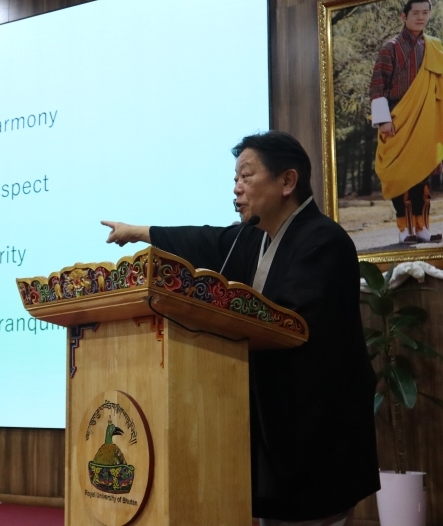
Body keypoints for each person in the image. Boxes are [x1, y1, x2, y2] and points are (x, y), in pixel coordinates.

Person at [102, 131, 379, 526]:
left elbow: (292, 324)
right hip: (270, 432)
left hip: (316, 432)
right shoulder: (253, 238)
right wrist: (139, 232)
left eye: (246, 176)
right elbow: (204, 239)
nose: (236, 188)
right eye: (235, 178)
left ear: (287, 182)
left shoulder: (324, 241)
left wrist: (218, 323)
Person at [369, 0, 443, 244]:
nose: (420, 17)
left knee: (422, 174)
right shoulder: (390, 47)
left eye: (425, 12)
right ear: (404, 16)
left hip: (427, 117)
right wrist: (384, 120)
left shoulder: (434, 46)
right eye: (415, 12)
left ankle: (422, 228)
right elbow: (377, 86)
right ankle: (404, 230)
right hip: (397, 116)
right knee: (399, 173)